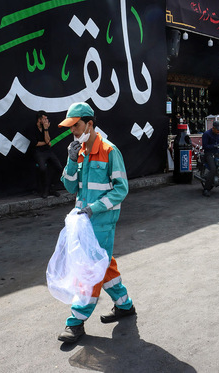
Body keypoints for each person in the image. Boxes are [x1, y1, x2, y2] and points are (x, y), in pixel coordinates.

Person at [56, 102, 136, 343]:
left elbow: (121, 190)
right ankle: (124, 305)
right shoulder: (79, 153)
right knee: (104, 263)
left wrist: (95, 208)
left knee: (90, 269)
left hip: (101, 222)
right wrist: (70, 161)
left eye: (77, 126)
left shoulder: (110, 151)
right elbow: (70, 186)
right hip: (84, 222)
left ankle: (76, 321)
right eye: (70, 128)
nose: (74, 131)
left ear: (90, 124)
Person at [33, 111, 63, 198]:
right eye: (44, 119)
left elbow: (48, 140)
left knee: (59, 168)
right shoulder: (32, 128)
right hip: (38, 152)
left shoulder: (46, 127)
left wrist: (46, 129)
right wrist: (46, 143)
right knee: (42, 168)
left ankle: (51, 188)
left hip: (48, 151)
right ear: (39, 120)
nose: (46, 120)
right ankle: (45, 189)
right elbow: (35, 143)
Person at [202, 121, 219, 197]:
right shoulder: (206, 134)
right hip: (209, 154)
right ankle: (206, 189)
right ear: (213, 128)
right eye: (217, 130)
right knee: (213, 169)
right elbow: (205, 146)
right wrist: (214, 146)